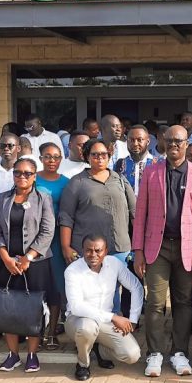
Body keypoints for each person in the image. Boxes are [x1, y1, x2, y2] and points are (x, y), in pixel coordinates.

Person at [132, 125, 192, 378]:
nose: (174, 145)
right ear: (163, 143)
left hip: (187, 248)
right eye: (170, 141)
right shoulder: (151, 172)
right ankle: (154, 353)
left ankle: (179, 352)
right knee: (155, 302)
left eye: (179, 141)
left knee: (183, 302)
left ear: (187, 143)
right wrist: (138, 250)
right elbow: (140, 214)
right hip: (157, 247)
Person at [59, 139, 135, 330]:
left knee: (112, 292)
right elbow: (66, 217)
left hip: (118, 247)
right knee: (91, 294)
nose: (100, 158)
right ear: (87, 157)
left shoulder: (120, 179)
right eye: (94, 154)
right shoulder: (77, 182)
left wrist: (138, 246)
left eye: (103, 154)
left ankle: (112, 336)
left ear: (109, 156)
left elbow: (135, 213)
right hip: (88, 250)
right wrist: (66, 246)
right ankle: (91, 336)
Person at [0, 157, 55, 373]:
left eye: (27, 173)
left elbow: (47, 231)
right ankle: (13, 354)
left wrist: (28, 257)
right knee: (8, 307)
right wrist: (6, 257)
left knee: (33, 308)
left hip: (35, 264)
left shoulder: (43, 198)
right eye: (18, 172)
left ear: (34, 176)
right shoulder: (3, 198)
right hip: (6, 263)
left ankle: (32, 354)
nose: (22, 176)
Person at [66, 234, 143, 381]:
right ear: (82, 250)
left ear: (106, 251)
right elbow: (76, 307)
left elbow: (136, 287)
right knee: (87, 327)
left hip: (104, 322)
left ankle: (98, 349)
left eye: (98, 250)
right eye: (88, 250)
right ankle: (83, 364)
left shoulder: (114, 263)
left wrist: (133, 320)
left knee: (132, 354)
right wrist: (114, 317)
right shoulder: (72, 270)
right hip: (78, 320)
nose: (93, 254)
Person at [36, 142, 70, 349]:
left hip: (57, 240)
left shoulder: (66, 182)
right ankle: (36, 331)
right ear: (40, 158)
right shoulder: (32, 179)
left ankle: (52, 332)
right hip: (35, 239)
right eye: (47, 156)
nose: (52, 161)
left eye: (56, 157)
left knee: (56, 285)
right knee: (36, 286)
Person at [115, 125, 158, 196]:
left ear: (148, 141)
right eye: (131, 140)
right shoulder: (120, 164)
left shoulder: (158, 164)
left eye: (139, 140)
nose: (135, 144)